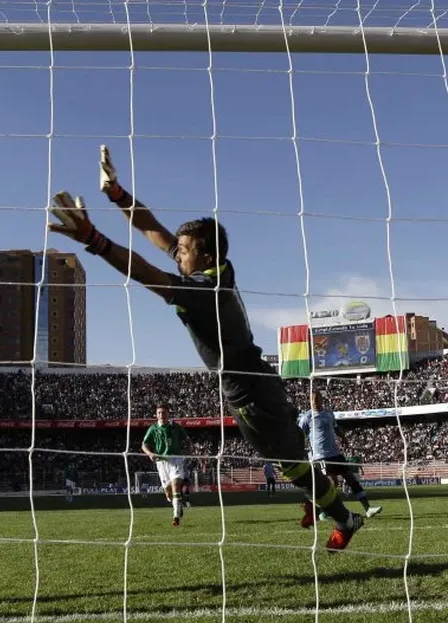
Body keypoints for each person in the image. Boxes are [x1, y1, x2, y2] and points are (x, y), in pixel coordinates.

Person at [47, 146, 364, 552]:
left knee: (292, 464)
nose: (178, 253)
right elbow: (155, 231)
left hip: (249, 392)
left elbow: (145, 273)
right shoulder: (218, 269)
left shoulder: (203, 290)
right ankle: (319, 500)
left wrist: (93, 238)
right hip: (252, 381)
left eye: (185, 250)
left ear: (207, 255)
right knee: (291, 460)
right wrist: (117, 194)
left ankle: (344, 518)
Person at [298, 389, 382, 524]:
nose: (315, 402)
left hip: (335, 453)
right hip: (320, 456)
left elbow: (336, 428)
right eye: (312, 399)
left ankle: (368, 508)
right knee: (333, 483)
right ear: (309, 401)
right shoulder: (306, 418)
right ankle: (324, 512)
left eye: (317, 399)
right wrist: (301, 451)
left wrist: (343, 438)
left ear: (321, 399)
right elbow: (299, 435)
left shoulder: (329, 414)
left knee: (350, 478)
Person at [141, 404, 189, 526]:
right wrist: (150, 454)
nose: (161, 415)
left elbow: (186, 440)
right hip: (161, 462)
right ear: (156, 415)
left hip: (176, 460)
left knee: (176, 485)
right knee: (168, 493)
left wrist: (186, 453)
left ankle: (176, 516)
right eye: (159, 413)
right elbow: (144, 445)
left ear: (168, 413)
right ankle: (177, 504)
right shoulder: (153, 429)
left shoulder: (176, 427)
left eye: (163, 412)